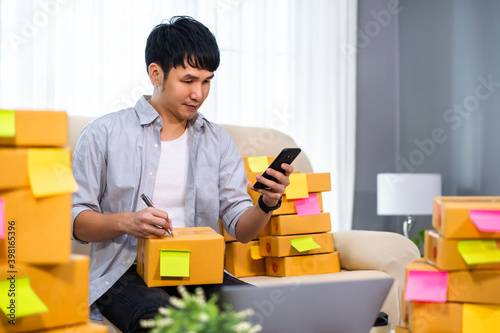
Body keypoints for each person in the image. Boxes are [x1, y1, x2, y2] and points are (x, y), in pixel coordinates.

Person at [71, 16, 293, 332]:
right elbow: (75, 219)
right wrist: (128, 222)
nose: (198, 94)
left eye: (207, 81)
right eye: (188, 80)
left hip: (197, 270)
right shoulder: (102, 133)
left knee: (267, 316)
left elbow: (242, 231)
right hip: (124, 272)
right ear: (155, 73)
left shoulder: (218, 142)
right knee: (173, 325)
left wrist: (267, 203)